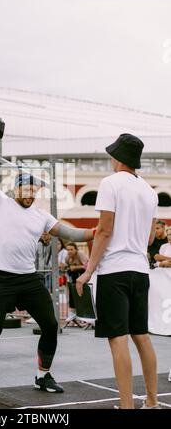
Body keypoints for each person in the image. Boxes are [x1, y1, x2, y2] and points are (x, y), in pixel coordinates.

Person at [0, 141, 95, 399]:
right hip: (0, 280)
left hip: (28, 280)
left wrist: (98, 231)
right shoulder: (0, 202)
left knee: (50, 324)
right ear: (15, 190)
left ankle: (42, 375)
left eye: (33, 190)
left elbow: (72, 233)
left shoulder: (42, 217)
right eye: (26, 189)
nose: (30, 194)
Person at [76, 133, 160, 410]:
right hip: (140, 271)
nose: (110, 158)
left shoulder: (110, 184)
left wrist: (88, 270)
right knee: (142, 336)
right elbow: (149, 239)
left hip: (114, 271)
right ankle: (151, 402)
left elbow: (104, 231)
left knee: (117, 338)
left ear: (118, 157)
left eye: (113, 154)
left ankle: (126, 406)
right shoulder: (149, 191)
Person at [65, 242, 88, 323]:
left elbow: (87, 266)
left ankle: (85, 314)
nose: (69, 251)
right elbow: (68, 267)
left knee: (82, 295)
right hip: (73, 278)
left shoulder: (80, 254)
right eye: (68, 250)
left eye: (71, 249)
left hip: (83, 277)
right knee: (72, 293)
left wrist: (76, 267)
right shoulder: (67, 258)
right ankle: (73, 312)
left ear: (76, 249)